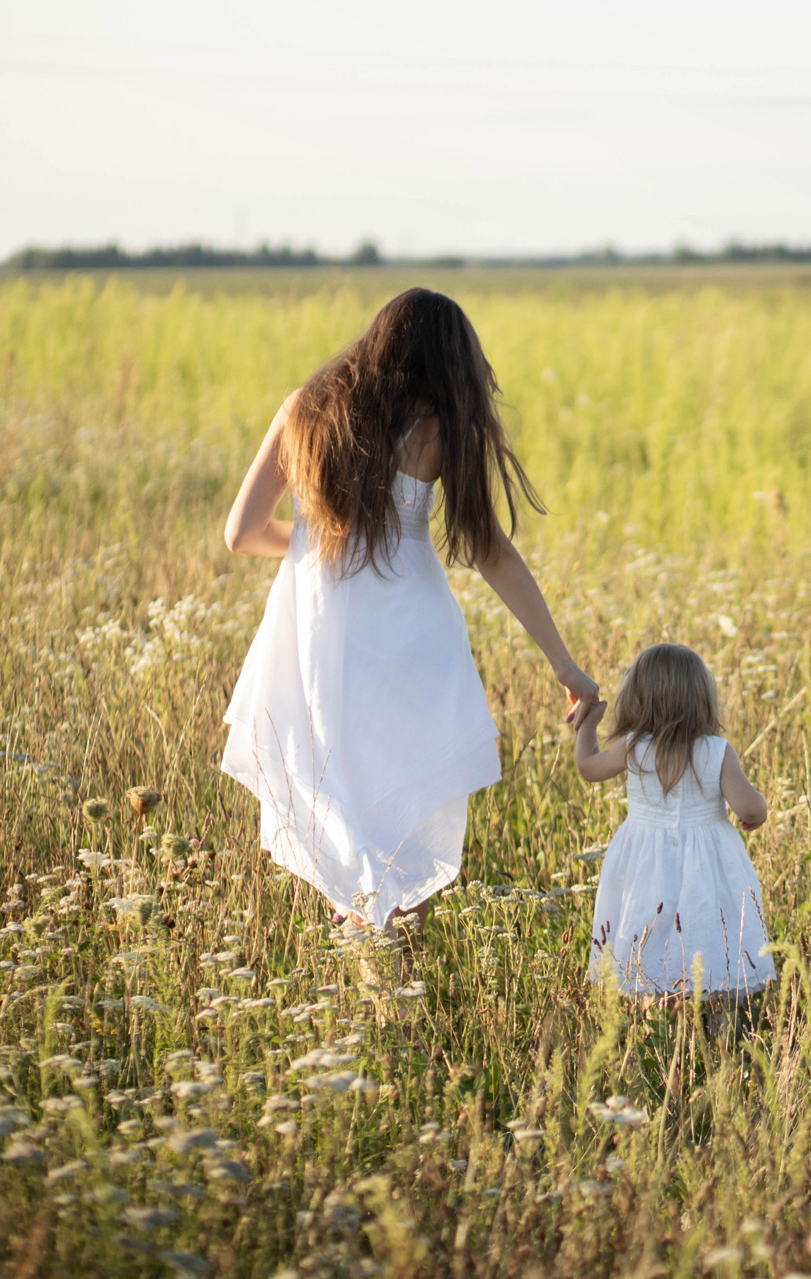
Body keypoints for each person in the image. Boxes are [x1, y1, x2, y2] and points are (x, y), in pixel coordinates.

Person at [220, 287, 599, 929]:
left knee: (342, 808)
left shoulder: (303, 411)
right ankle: (385, 960)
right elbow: (490, 551)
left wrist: (322, 537)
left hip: (321, 645)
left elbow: (242, 533)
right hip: (414, 644)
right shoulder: (437, 427)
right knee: (404, 818)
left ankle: (370, 958)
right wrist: (565, 664)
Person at [573, 643, 775, 998]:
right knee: (710, 927)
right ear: (702, 698)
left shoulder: (632, 747)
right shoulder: (716, 751)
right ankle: (719, 1019)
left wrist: (587, 725)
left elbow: (588, 767)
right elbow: (749, 807)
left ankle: (653, 1019)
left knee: (644, 927)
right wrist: (756, 815)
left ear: (638, 698)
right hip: (707, 864)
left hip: (644, 862)